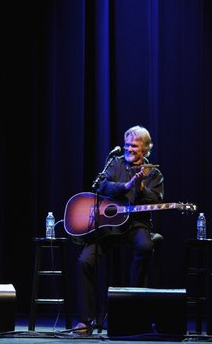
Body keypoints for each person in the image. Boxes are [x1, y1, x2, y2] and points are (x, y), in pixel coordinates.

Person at [74, 125, 163, 334]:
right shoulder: (114, 163)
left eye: (134, 145)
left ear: (146, 148)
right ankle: (86, 320)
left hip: (136, 224)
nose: (129, 149)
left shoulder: (154, 173)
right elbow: (101, 186)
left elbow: (157, 200)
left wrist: (140, 187)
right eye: (126, 145)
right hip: (108, 226)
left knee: (145, 246)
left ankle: (131, 311)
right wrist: (125, 186)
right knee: (84, 260)